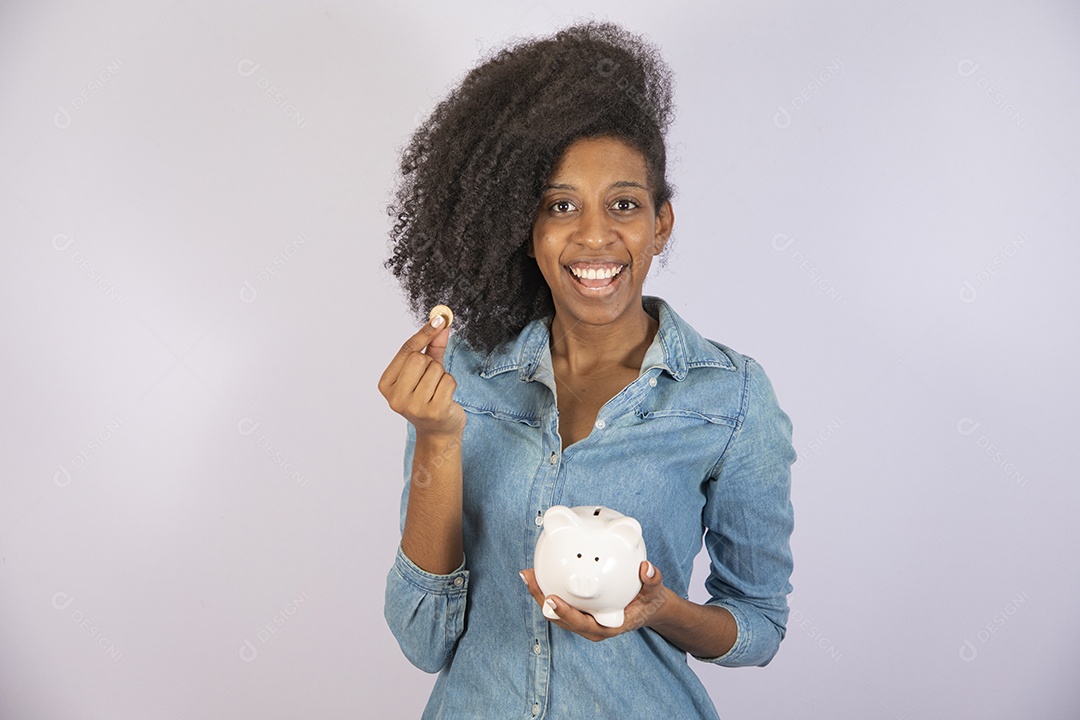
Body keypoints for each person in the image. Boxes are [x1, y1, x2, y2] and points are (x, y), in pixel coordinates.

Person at [378, 22, 795, 719]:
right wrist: (438, 438)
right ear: (525, 228)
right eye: (560, 205)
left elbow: (756, 626)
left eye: (624, 205)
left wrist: (658, 609)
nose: (595, 236)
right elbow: (423, 640)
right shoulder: (467, 380)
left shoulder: (730, 399)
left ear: (660, 224)